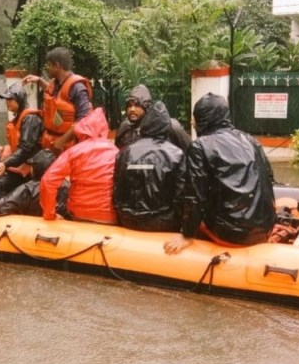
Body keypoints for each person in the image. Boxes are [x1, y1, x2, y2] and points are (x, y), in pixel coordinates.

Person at [164, 93, 276, 254]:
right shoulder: (250, 140)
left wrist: (187, 234)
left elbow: (194, 196)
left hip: (231, 233)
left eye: (195, 117)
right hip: (264, 228)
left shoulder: (200, 146)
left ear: (204, 118)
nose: (192, 122)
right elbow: (269, 179)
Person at [113, 101, 186, 232]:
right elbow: (180, 195)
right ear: (166, 127)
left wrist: (122, 213)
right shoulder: (176, 154)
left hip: (128, 219)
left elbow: (117, 189)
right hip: (162, 221)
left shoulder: (125, 152)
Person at [40, 107, 118, 224]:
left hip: (80, 215)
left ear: (82, 130)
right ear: (104, 129)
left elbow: (48, 181)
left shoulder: (74, 152)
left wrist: (50, 214)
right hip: (110, 217)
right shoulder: (117, 151)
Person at [23, 47, 93, 154]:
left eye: (49, 65)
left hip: (69, 146)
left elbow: (84, 120)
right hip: (51, 141)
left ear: (57, 65)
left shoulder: (78, 88)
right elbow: (57, 100)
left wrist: (62, 141)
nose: (47, 68)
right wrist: (39, 81)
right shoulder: (55, 83)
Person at [0, 83, 44, 205]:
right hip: (19, 162)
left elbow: (25, 149)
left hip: (30, 169)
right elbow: (16, 145)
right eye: (6, 100)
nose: (7, 102)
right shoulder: (19, 118)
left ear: (19, 99)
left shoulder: (30, 119)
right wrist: (2, 149)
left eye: (10, 99)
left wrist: (5, 164)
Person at [114, 84, 193, 153]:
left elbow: (190, 152)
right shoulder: (124, 128)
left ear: (146, 106)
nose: (132, 109)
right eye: (129, 106)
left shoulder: (170, 126)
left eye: (137, 105)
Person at [0, 150, 68, 217]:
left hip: (29, 229)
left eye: (32, 165)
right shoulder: (67, 186)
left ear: (36, 168)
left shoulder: (29, 189)